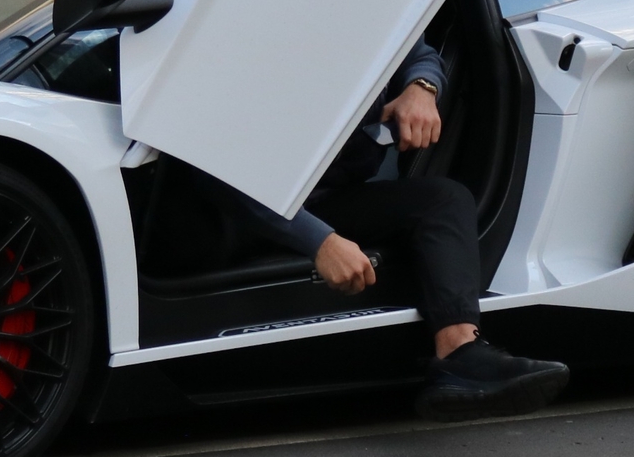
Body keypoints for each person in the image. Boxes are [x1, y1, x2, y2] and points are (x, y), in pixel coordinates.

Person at [213, 38, 571, 421]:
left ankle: (459, 356)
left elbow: (418, 51)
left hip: (317, 193)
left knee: (444, 200)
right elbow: (212, 170)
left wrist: (422, 88)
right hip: (226, 210)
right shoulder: (245, 35)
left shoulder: (362, 4)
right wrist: (318, 240)